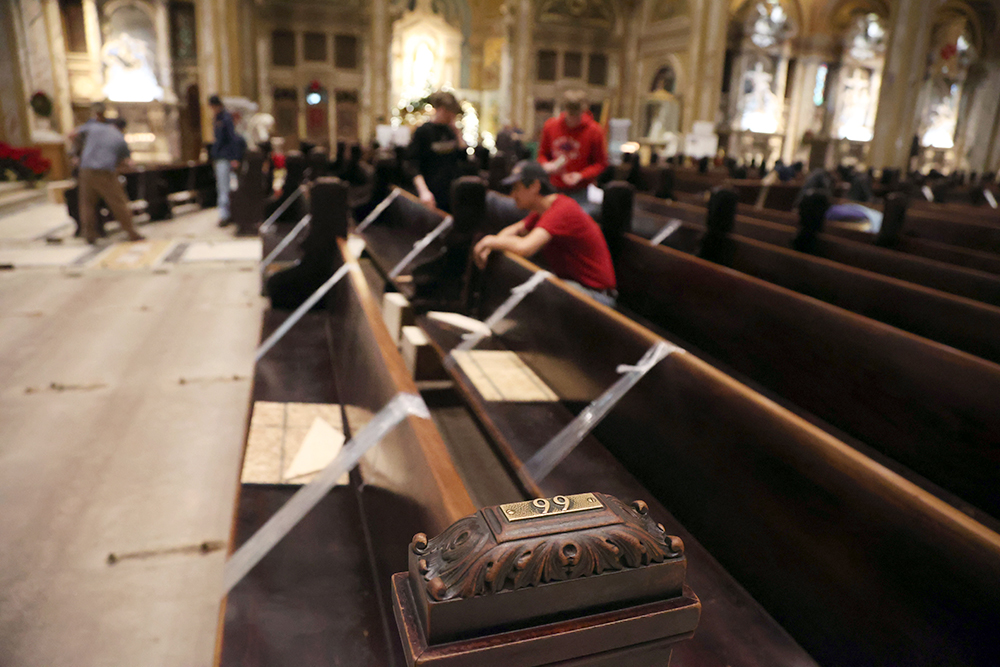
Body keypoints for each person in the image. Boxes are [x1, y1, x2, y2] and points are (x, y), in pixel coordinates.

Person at [473, 160, 617, 307]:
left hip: (597, 296)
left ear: (535, 186)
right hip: (579, 289)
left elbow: (525, 247)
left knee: (536, 292)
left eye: (517, 188)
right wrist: (494, 244)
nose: (513, 194)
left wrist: (489, 241)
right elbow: (514, 230)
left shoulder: (561, 210)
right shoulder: (543, 211)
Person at [76, 113, 144, 244]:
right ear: (122, 128)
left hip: (85, 170)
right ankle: (131, 232)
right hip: (104, 172)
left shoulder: (95, 128)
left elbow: (73, 134)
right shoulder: (120, 138)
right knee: (118, 203)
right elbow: (127, 161)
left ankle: (89, 234)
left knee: (87, 203)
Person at [538, 90, 608, 204]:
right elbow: (542, 155)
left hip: (581, 190)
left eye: (577, 116)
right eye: (570, 115)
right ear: (565, 110)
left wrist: (581, 175)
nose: (573, 120)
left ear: (583, 112)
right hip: (553, 187)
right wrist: (546, 165)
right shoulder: (550, 126)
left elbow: (601, 163)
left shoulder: (594, 131)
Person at [407, 91, 466, 212]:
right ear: (442, 109)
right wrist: (423, 191)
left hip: (450, 192)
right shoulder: (423, 131)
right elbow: (412, 164)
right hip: (430, 191)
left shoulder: (450, 131)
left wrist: (457, 133)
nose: (453, 116)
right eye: (451, 113)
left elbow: (463, 158)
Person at [208, 95, 245, 225]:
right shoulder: (218, 118)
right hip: (221, 156)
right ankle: (227, 213)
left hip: (225, 157)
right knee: (224, 186)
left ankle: (225, 215)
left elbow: (231, 139)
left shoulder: (225, 118)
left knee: (224, 186)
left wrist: (234, 157)